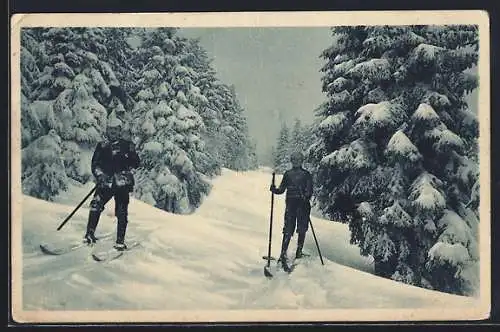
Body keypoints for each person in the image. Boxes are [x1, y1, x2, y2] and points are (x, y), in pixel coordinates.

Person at [83, 118, 140, 251]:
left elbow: (136, 164)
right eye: (110, 129)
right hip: (106, 182)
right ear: (107, 130)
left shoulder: (127, 145)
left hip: (122, 183)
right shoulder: (102, 145)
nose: (113, 132)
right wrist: (100, 175)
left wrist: (132, 153)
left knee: (121, 212)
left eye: (115, 130)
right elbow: (95, 164)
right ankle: (89, 234)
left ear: (120, 131)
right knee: (96, 205)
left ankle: (120, 241)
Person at [270, 151, 313, 267]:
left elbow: (309, 190)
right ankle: (283, 253)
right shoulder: (288, 174)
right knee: (288, 229)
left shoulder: (306, 174)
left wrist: (305, 196)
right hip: (291, 205)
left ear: (301, 161)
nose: (296, 162)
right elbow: (282, 189)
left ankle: (298, 251)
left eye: (298, 160)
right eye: (294, 160)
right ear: (291, 161)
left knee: (301, 228)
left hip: (302, 205)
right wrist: (274, 189)